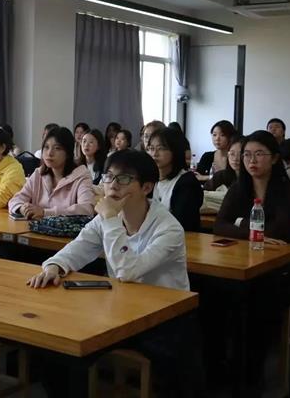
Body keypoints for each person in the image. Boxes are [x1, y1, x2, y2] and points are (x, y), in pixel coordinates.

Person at [27, 149, 203, 397]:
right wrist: (54, 266)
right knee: (59, 348)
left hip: (164, 318)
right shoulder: (106, 220)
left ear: (146, 187)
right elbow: (78, 248)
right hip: (119, 312)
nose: (113, 185)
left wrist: (110, 218)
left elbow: (127, 270)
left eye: (124, 178)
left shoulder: (168, 228)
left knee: (177, 374)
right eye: (109, 177)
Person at [213, 130, 290, 392]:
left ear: (274, 158)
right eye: (247, 155)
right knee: (212, 292)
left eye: (259, 154)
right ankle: (220, 367)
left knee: (255, 300)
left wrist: (240, 224)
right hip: (240, 264)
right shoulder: (240, 188)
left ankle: (251, 374)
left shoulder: (286, 191)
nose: (251, 160)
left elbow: (279, 231)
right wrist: (250, 229)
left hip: (278, 269)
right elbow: (220, 225)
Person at [8, 127, 95, 219]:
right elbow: (15, 200)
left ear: (68, 153)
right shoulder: (39, 174)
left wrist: (45, 212)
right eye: (46, 147)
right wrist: (22, 208)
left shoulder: (81, 176)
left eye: (57, 148)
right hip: (34, 227)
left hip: (65, 228)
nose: (49, 153)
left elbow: (86, 209)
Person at [146, 128, 203, 231]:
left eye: (161, 148)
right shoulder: (149, 180)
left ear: (175, 150)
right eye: (151, 148)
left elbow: (182, 223)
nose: (154, 153)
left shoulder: (187, 183)